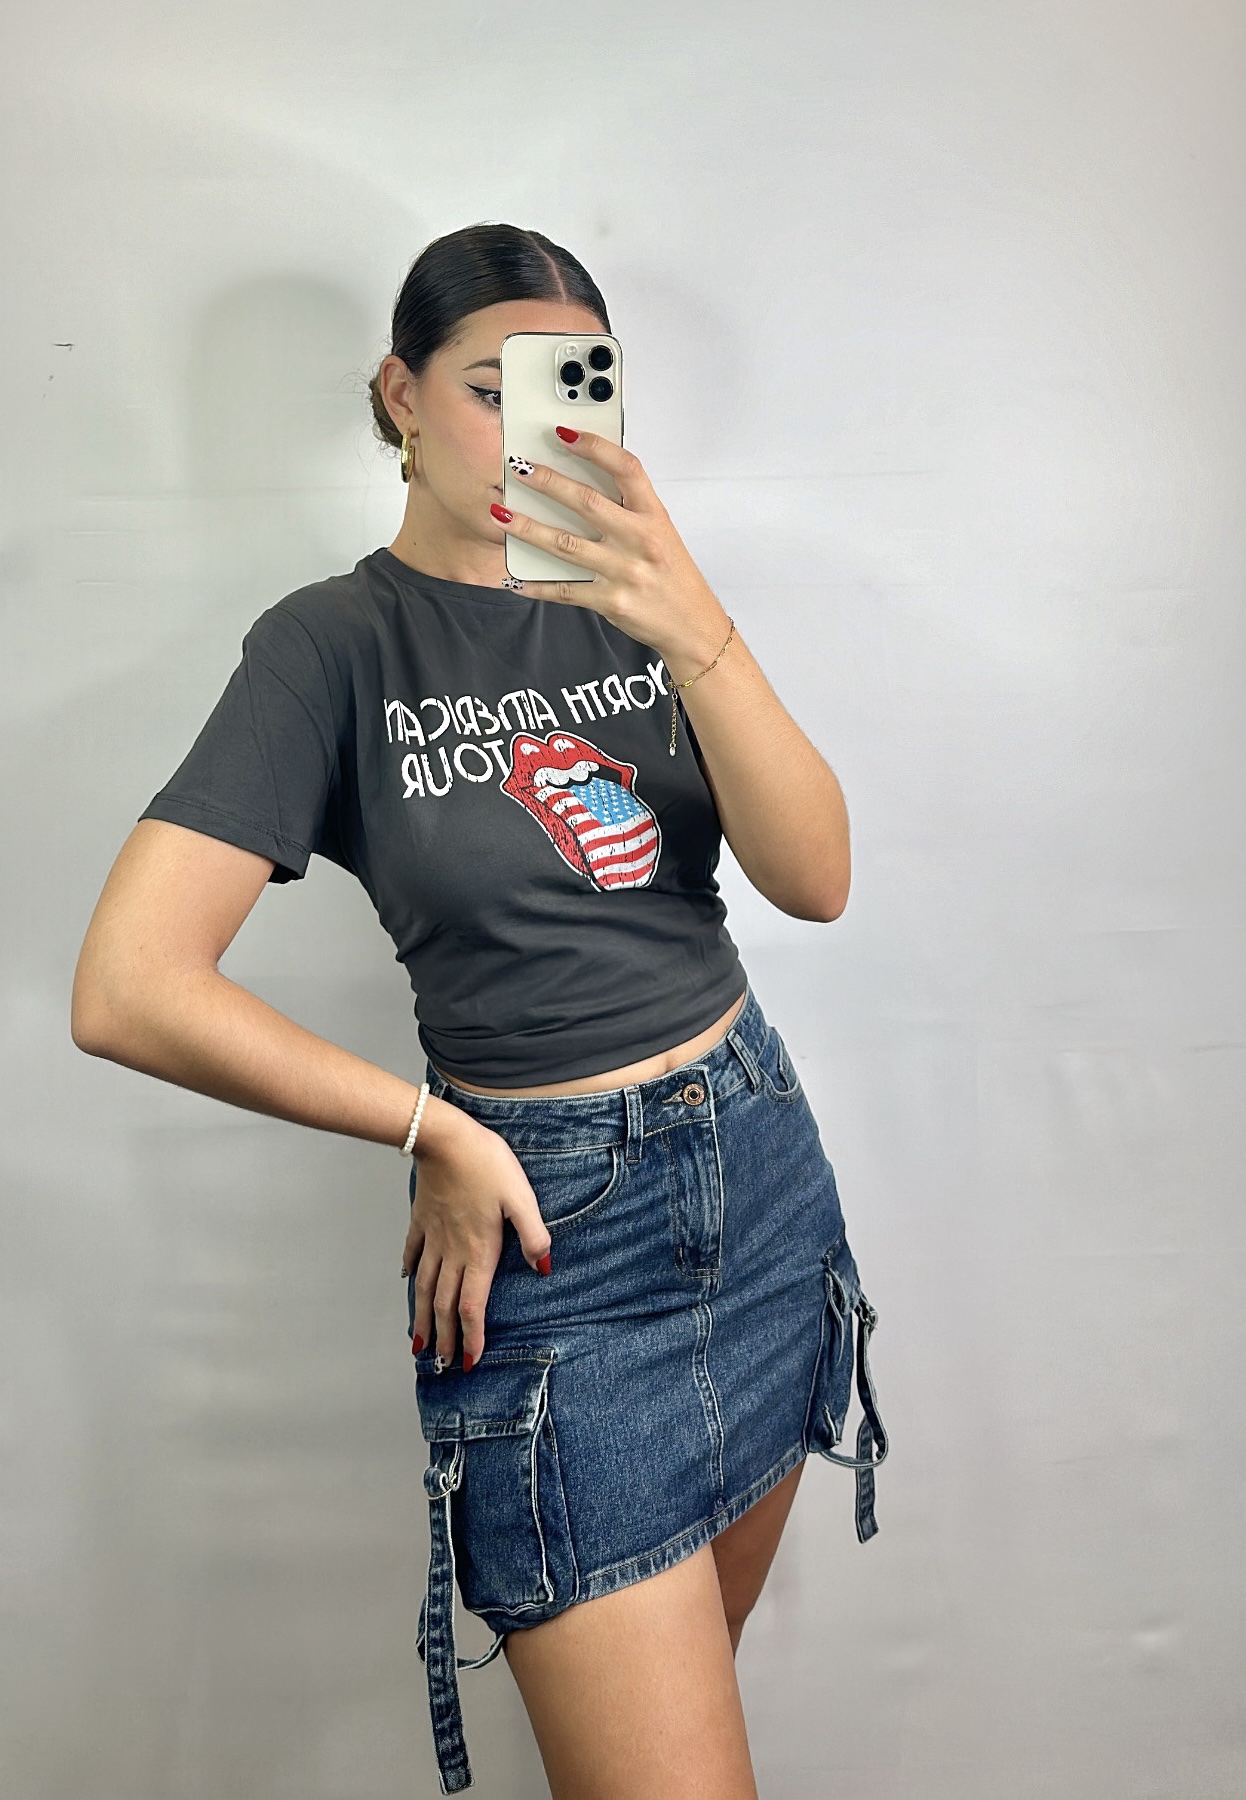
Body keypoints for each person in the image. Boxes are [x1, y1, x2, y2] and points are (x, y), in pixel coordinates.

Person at [70, 221, 888, 1799]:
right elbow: (128, 986)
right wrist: (433, 1127)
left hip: (762, 1182)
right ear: (398, 394)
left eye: (570, 385)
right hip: (559, 1244)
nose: (529, 427)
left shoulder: (638, 599)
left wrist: (689, 617)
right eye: (485, 389)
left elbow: (816, 878)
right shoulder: (331, 645)